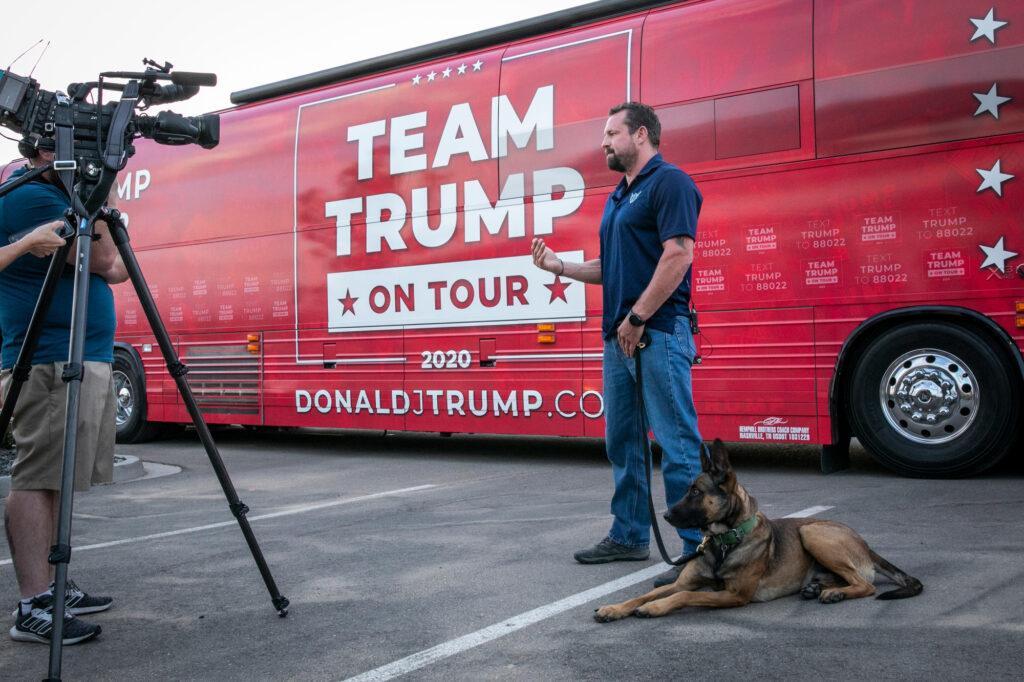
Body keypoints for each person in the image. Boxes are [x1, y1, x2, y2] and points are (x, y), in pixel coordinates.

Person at [531, 102, 703, 587]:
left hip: (658, 333)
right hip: (621, 337)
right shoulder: (618, 197)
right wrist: (559, 268)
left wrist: (638, 317)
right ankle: (629, 536)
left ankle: (697, 551)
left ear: (641, 134)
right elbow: (612, 269)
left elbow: (679, 255)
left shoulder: (670, 184)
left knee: (676, 443)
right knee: (622, 443)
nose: (604, 143)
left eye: (611, 134)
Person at [0, 137, 129, 645]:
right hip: (49, 356)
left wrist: (98, 211)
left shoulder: (63, 197)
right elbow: (102, 257)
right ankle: (33, 604)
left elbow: (114, 266)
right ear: (41, 153)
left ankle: (52, 588)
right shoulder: (31, 195)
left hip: (78, 354)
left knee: (55, 476)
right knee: (37, 476)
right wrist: (105, 197)